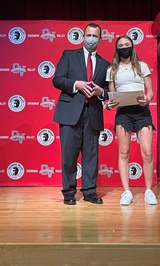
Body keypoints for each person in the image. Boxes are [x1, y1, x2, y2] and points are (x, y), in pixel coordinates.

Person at [52, 23, 110, 205]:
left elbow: (109, 91)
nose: (91, 38)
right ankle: (69, 192)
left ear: (100, 39)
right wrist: (76, 84)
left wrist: (102, 92)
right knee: (69, 155)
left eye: (95, 36)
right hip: (70, 113)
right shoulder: (69, 55)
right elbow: (57, 79)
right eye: (89, 35)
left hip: (92, 113)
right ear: (83, 36)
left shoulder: (105, 64)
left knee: (91, 155)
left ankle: (90, 192)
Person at [105, 34, 158, 206]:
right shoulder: (112, 69)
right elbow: (112, 96)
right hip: (123, 114)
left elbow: (150, 91)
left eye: (127, 44)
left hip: (142, 112)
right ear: (117, 48)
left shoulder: (142, 66)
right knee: (124, 153)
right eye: (121, 45)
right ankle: (126, 191)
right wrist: (110, 103)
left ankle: (149, 191)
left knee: (147, 152)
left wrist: (148, 99)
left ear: (132, 47)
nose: (124, 47)